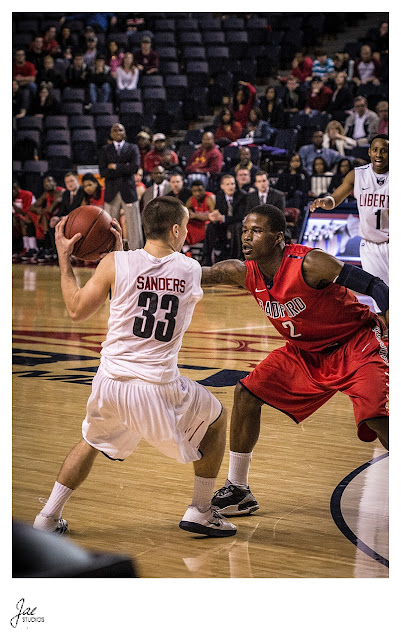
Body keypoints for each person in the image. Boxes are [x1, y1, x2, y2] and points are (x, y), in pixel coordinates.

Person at [32, 197, 236, 538]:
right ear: (175, 230)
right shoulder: (188, 269)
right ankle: (201, 510)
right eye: (185, 227)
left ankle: (47, 518)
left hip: (110, 382)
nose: (186, 234)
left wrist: (65, 259)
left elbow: (77, 309)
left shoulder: (114, 262)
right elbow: (203, 275)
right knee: (216, 421)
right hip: (157, 387)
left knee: (91, 441)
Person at [199, 204, 388, 517]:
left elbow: (376, 286)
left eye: (256, 231)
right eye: (245, 230)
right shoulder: (243, 272)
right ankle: (238, 488)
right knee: (246, 393)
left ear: (277, 237)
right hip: (305, 353)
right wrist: (141, 265)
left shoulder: (311, 263)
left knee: (377, 417)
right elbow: (202, 274)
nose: (246, 237)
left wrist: (390, 316)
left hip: (355, 343)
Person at [310, 134, 389, 309]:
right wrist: (325, 201)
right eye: (375, 150)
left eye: (384, 151)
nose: (379, 154)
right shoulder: (357, 175)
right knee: (379, 300)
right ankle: (384, 334)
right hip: (369, 246)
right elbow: (335, 199)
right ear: (369, 152)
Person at [98, 122, 143, 250]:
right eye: (115, 130)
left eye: (121, 130)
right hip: (111, 192)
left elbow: (134, 168)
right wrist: (125, 167)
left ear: (125, 133)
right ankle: (109, 252)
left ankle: (137, 253)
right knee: (109, 226)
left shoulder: (133, 148)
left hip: (128, 191)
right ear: (111, 134)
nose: (118, 133)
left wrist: (115, 166)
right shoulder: (104, 150)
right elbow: (103, 172)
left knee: (134, 225)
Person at [202, 174, 247, 265]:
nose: (231, 187)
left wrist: (222, 218)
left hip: (236, 224)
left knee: (237, 226)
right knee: (211, 225)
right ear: (222, 186)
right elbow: (218, 211)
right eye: (228, 184)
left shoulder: (242, 195)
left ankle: (237, 257)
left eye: (232, 184)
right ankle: (207, 257)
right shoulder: (219, 195)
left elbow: (241, 216)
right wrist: (214, 216)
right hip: (223, 224)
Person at [28, 174, 64, 262]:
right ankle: (36, 248)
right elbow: (31, 207)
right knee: (29, 215)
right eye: (45, 182)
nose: (48, 184)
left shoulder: (60, 192)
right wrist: (40, 210)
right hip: (49, 219)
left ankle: (47, 248)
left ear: (55, 183)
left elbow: (52, 208)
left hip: (60, 217)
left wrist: (41, 211)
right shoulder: (46, 194)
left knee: (45, 216)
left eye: (50, 181)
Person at [184, 180, 216, 254]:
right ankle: (186, 250)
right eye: (195, 191)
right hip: (199, 224)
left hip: (209, 226)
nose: (198, 193)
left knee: (209, 226)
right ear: (192, 191)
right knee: (183, 225)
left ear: (204, 190)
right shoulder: (191, 200)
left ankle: (188, 251)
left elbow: (213, 217)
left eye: (200, 190)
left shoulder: (210, 198)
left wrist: (195, 215)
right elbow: (185, 214)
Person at [12, 180, 37, 261]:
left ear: (18, 188)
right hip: (18, 218)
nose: (12, 191)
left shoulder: (27, 194)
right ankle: (20, 248)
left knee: (25, 220)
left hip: (31, 217)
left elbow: (25, 211)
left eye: (14, 189)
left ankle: (32, 248)